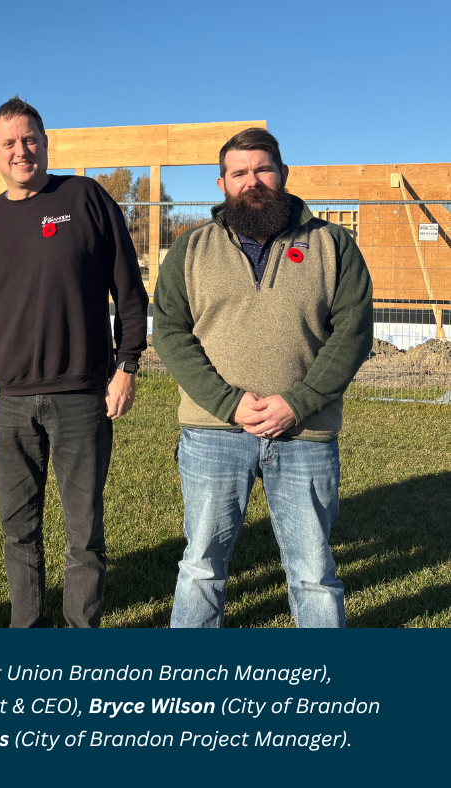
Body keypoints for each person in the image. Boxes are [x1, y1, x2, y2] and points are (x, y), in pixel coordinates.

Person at [0, 97, 149, 628]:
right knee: (19, 530)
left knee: (85, 533)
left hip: (82, 396)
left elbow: (130, 291)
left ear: (46, 143)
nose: (20, 151)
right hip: (10, 404)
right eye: (9, 142)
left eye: (30, 140)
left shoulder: (85, 197)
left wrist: (128, 365)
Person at [153, 127, 374, 628]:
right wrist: (227, 402)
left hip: (305, 433)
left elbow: (354, 332)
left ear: (284, 174)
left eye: (262, 169)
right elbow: (169, 331)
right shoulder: (191, 249)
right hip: (213, 433)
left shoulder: (332, 244)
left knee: (314, 572)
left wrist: (298, 401)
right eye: (239, 172)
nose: (252, 180)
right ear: (222, 184)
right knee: (201, 566)